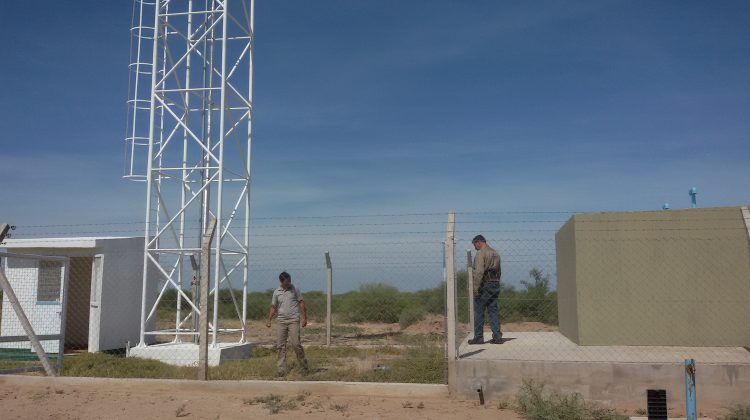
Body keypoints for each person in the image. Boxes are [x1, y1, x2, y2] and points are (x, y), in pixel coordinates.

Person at [266, 271, 309, 376]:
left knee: (296, 344)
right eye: (287, 281)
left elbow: (301, 302)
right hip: (281, 321)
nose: (290, 282)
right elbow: (273, 307)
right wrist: (269, 320)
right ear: (282, 281)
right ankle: (281, 370)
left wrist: (304, 318)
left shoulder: (295, 289)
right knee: (280, 345)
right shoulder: (276, 292)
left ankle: (304, 366)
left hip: (293, 320)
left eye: (290, 280)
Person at [468, 235, 503, 345]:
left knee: (479, 310)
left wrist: (475, 289)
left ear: (478, 242)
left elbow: (479, 272)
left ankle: (478, 337)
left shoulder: (480, 253)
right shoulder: (496, 253)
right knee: (493, 310)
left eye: (474, 244)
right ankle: (497, 337)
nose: (474, 247)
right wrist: (496, 283)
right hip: (495, 283)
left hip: (485, 284)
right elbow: (499, 271)